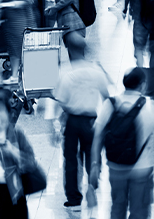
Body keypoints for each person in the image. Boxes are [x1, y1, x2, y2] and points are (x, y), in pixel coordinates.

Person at [91, 68, 154, 219]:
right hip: (142, 169)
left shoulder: (110, 104)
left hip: (116, 167)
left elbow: (97, 136)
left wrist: (95, 164)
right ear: (142, 85)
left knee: (117, 207)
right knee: (139, 211)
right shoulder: (151, 106)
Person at [54, 34, 110, 209]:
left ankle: (73, 199)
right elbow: (107, 98)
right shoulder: (96, 71)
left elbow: (61, 101)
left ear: (69, 49)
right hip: (91, 121)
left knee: (70, 159)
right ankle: (92, 187)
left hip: (72, 121)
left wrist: (54, 126)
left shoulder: (66, 72)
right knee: (92, 157)